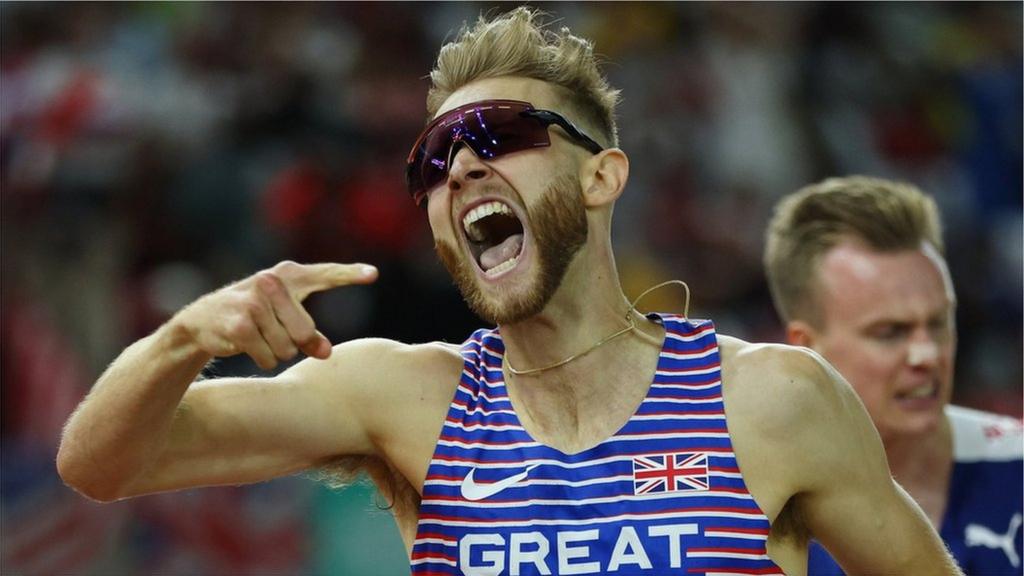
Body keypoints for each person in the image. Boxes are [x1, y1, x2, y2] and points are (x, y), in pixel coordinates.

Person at [58, 8, 962, 575]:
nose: (459, 169)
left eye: (499, 134)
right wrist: (183, 340)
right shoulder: (403, 398)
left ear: (603, 176)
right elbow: (100, 464)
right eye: (432, 159)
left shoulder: (772, 400)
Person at [764, 176, 1023, 575]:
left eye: (939, 323)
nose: (927, 354)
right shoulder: (746, 513)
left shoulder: (1016, 462)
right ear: (806, 349)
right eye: (890, 333)